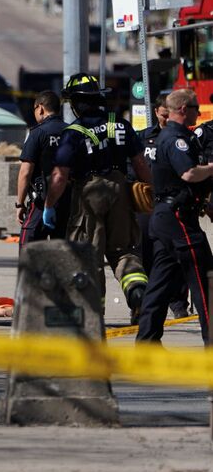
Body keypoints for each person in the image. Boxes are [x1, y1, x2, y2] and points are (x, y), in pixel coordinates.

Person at [43, 73, 152, 321]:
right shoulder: (121, 125)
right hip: (121, 191)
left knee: (87, 256)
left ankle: (92, 316)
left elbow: (60, 176)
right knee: (123, 251)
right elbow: (141, 163)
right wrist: (152, 188)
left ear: (76, 103)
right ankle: (138, 295)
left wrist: (49, 205)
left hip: (89, 193)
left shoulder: (73, 133)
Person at [137, 89, 213, 344]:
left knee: (159, 283)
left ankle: (146, 343)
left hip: (167, 217)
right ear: (183, 109)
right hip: (178, 218)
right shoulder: (176, 139)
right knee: (205, 278)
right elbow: (189, 174)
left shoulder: (173, 136)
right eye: (194, 107)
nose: (198, 112)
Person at [134, 93, 190, 321]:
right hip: (148, 206)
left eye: (170, 115)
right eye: (163, 115)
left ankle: (178, 304)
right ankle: (142, 305)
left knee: (176, 256)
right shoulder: (144, 138)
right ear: (157, 112)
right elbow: (135, 166)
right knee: (147, 256)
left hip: (173, 204)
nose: (166, 120)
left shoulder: (182, 138)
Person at [16, 90, 69, 249]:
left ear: (40, 108)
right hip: (67, 200)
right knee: (62, 250)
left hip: (40, 201)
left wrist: (20, 203)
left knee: (28, 248)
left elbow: (25, 172)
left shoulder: (37, 133)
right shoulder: (71, 132)